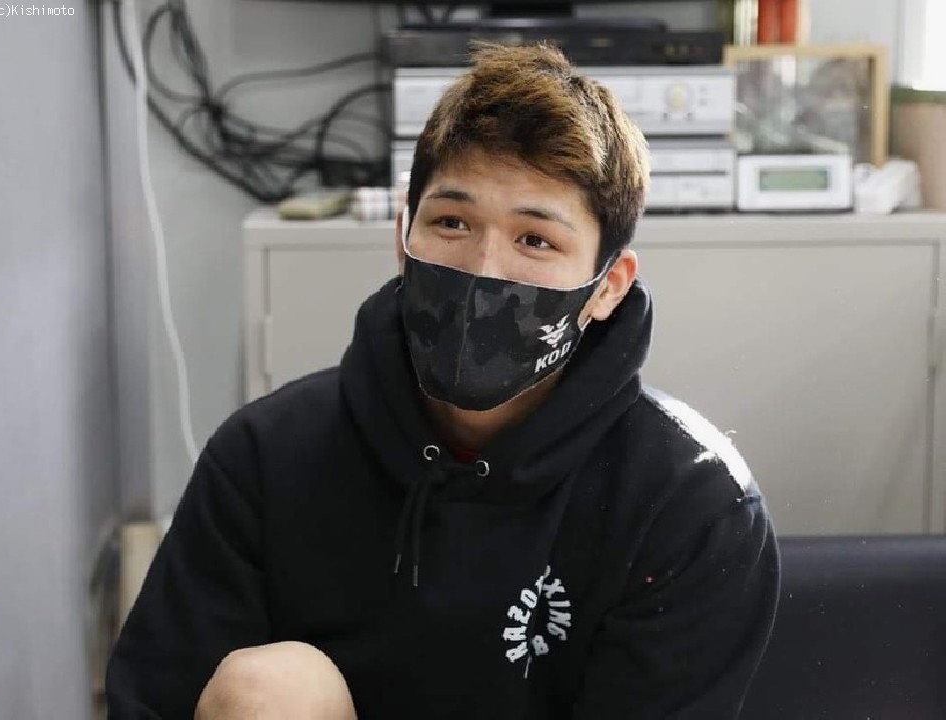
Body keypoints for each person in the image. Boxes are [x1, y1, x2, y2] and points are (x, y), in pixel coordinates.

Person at [106, 42, 780, 719]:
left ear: (608, 286)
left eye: (535, 240)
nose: (484, 269)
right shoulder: (265, 454)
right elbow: (158, 701)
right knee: (271, 688)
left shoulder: (689, 503)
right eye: (452, 223)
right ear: (403, 238)